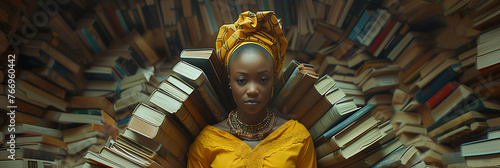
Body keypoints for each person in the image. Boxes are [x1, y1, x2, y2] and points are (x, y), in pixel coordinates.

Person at [187, 11, 317, 168]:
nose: (253, 90)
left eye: (263, 79)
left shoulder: (298, 138)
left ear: (273, 81)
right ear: (230, 82)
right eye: (242, 80)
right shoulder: (206, 143)